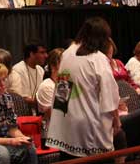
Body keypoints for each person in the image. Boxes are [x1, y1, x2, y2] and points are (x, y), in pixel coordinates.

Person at [46, 17, 121, 159]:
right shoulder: (98, 58)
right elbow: (109, 96)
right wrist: (116, 119)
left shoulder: (67, 53)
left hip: (69, 121)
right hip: (91, 123)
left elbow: (62, 91)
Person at [8, 41, 47, 108]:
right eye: (42, 52)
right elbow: (18, 98)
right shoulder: (17, 70)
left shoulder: (40, 70)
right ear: (31, 54)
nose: (46, 55)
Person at [35, 48, 63, 117]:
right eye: (64, 63)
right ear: (53, 66)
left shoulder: (64, 84)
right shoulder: (47, 86)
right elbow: (57, 116)